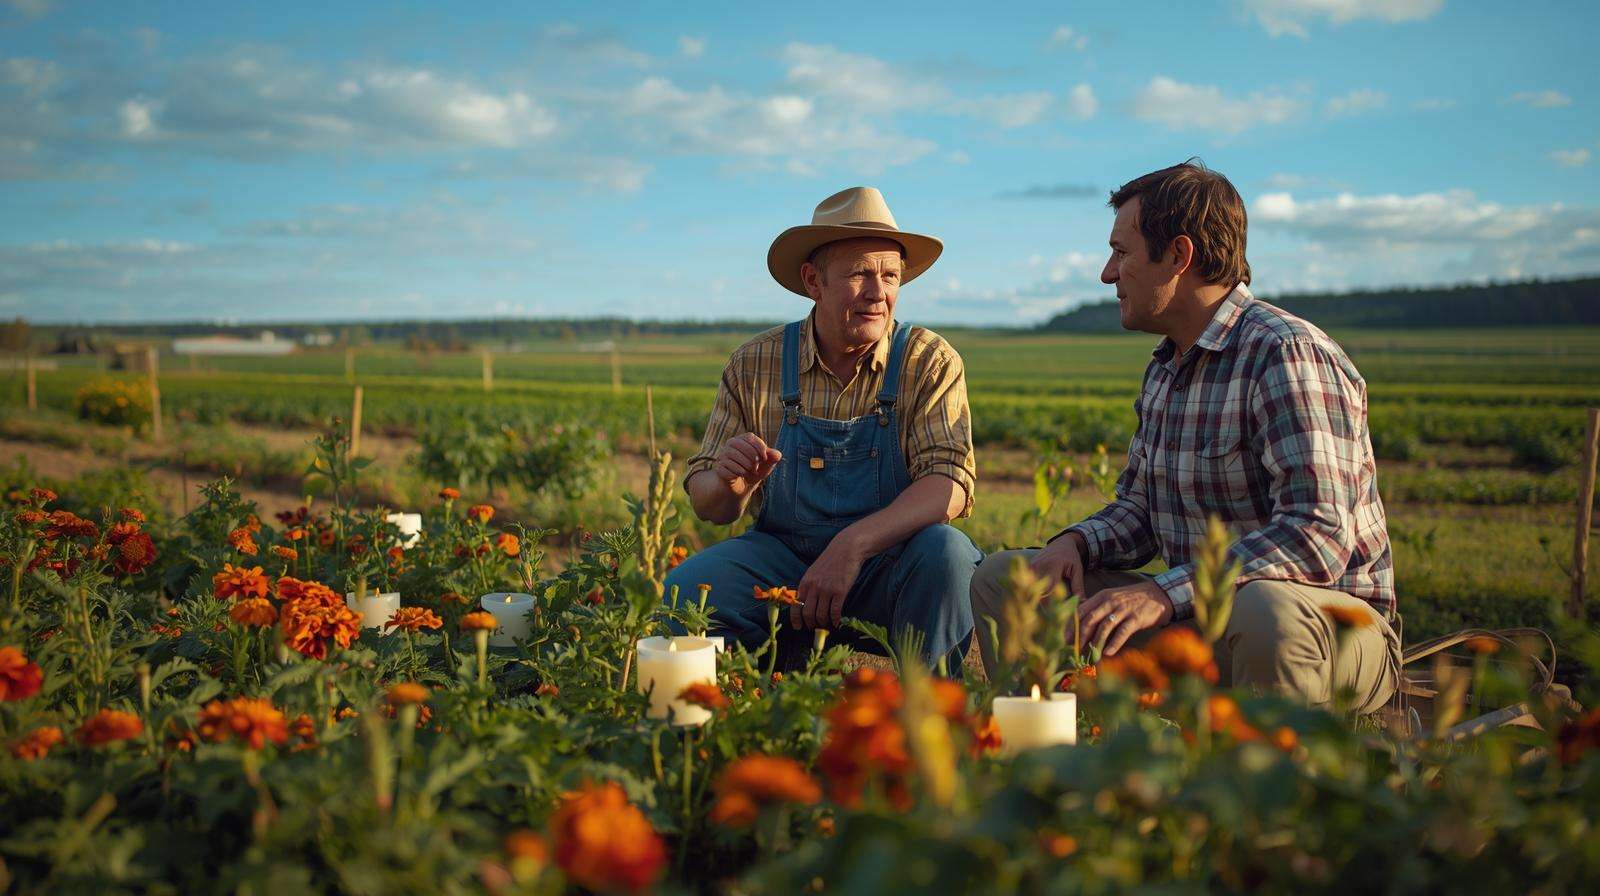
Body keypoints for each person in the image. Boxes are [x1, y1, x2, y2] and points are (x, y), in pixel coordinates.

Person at [970, 161, 1399, 712]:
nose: (1107, 273)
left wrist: (1161, 593)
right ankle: (1050, 766)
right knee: (1011, 579)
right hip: (1196, 617)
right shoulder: (1165, 368)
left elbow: (1316, 535)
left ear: (1178, 255)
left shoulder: (1286, 352)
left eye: (1121, 252)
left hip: (1329, 630)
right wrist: (1072, 544)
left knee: (1262, 611)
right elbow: (1143, 513)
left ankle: (1269, 785)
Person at [666, 186, 981, 672]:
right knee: (679, 599)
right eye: (860, 274)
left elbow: (949, 487)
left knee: (948, 554)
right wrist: (729, 483)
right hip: (783, 564)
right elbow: (710, 505)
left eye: (891, 275)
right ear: (814, 280)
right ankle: (731, 715)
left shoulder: (928, 360)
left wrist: (850, 546)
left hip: (890, 568)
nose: (879, 293)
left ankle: (932, 721)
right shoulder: (756, 362)